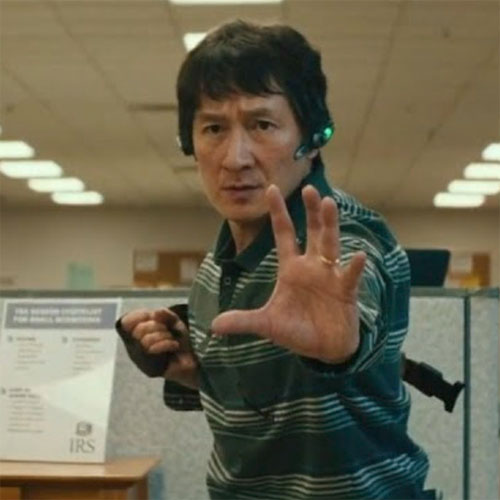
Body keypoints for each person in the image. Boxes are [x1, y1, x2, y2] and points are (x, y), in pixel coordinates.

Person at [116, 20, 434, 499]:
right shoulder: (217, 264)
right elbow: (268, 401)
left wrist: (342, 347)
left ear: (314, 135)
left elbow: (353, 308)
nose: (235, 158)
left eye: (262, 125)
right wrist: (190, 366)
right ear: (189, 142)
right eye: (213, 128)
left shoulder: (344, 236)